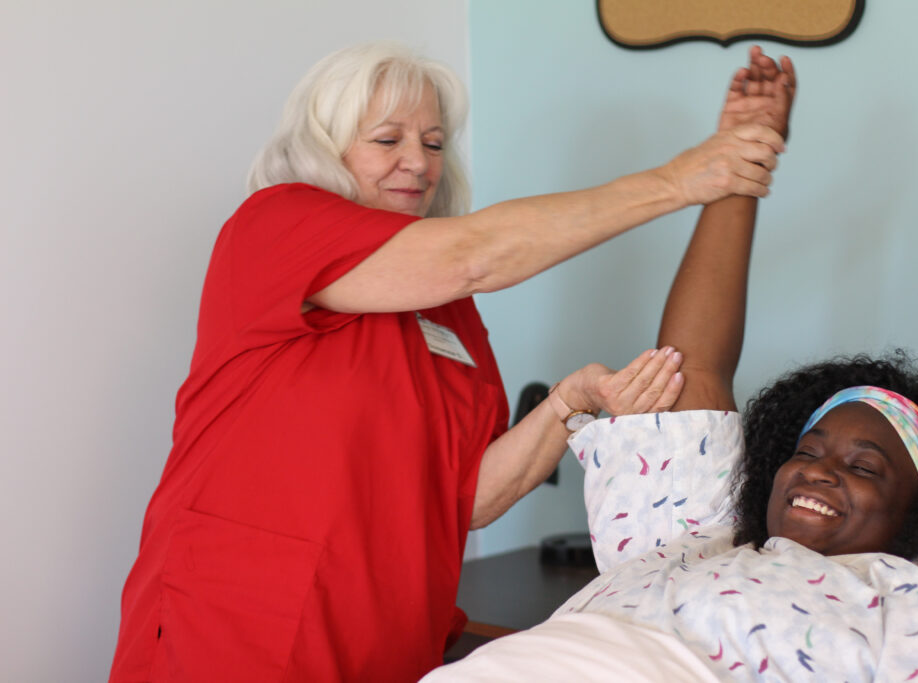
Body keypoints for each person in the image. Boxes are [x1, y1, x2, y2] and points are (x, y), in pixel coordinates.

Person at [109, 42, 785, 682]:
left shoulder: (445, 311)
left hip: (388, 638)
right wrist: (680, 180)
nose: (419, 162)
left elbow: (464, 498)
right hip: (238, 628)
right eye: (387, 140)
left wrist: (566, 405)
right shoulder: (274, 227)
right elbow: (474, 254)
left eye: (433, 143)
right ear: (321, 148)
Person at [425, 49, 918, 682]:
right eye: (809, 450)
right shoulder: (697, 532)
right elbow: (694, 362)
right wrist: (743, 152)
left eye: (864, 466)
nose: (818, 473)